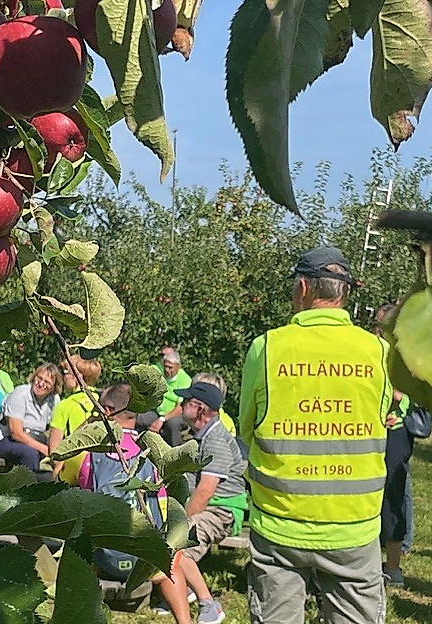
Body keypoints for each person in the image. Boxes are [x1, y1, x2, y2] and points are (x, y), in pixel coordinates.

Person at [240, 245, 392, 624]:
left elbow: (246, 428)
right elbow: (385, 417)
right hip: (354, 525)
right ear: (345, 293)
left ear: (304, 288)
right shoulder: (379, 352)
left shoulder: (267, 348)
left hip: (279, 522)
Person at [73, 383, 192, 624]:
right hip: (144, 559)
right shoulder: (154, 451)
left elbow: (80, 494)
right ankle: (185, 621)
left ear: (108, 411)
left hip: (104, 557)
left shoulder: (90, 455)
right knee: (171, 564)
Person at [152, 381, 246, 624]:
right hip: (210, 507)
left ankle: (209, 604)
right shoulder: (202, 436)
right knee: (170, 540)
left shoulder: (216, 439)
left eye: (186, 402)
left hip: (222, 510)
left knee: (178, 546)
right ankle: (184, 591)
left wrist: (180, 522)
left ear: (200, 409)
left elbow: (205, 492)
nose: (181, 405)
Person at [372, 302, 416, 587]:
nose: (380, 331)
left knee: (393, 496)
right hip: (366, 431)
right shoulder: (366, 351)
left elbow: (413, 393)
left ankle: (393, 566)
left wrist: (399, 401)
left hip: (395, 434)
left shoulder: (407, 356)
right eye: (378, 325)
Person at [0, 364, 62, 480]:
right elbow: (16, 433)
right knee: (29, 453)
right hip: (3, 440)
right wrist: (45, 449)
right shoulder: (20, 394)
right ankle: (29, 487)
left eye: (47, 382)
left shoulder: (54, 400)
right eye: (39, 378)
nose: (41, 384)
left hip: (33, 440)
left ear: (53, 387)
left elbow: (54, 429)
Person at [48, 355, 103, 479]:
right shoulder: (102, 401)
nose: (63, 376)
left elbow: (54, 453)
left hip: (76, 468)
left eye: (66, 372)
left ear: (78, 377)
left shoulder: (66, 405)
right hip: (100, 465)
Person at [141, 349, 193, 446]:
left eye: (170, 367)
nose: (167, 370)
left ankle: (175, 449)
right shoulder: (159, 372)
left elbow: (180, 407)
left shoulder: (185, 380)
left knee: (172, 425)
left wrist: (162, 419)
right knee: (140, 418)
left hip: (175, 414)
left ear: (178, 367)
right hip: (157, 411)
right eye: (165, 366)